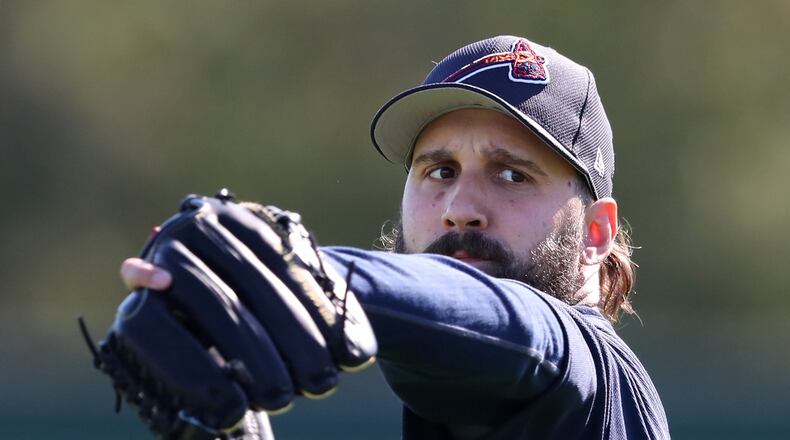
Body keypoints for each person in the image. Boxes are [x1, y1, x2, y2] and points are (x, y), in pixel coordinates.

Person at [120, 35, 670, 439]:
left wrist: (299, 269)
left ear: (596, 231)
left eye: (512, 175)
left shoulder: (594, 379)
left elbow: (516, 326)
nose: (460, 211)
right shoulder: (446, 405)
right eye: (440, 171)